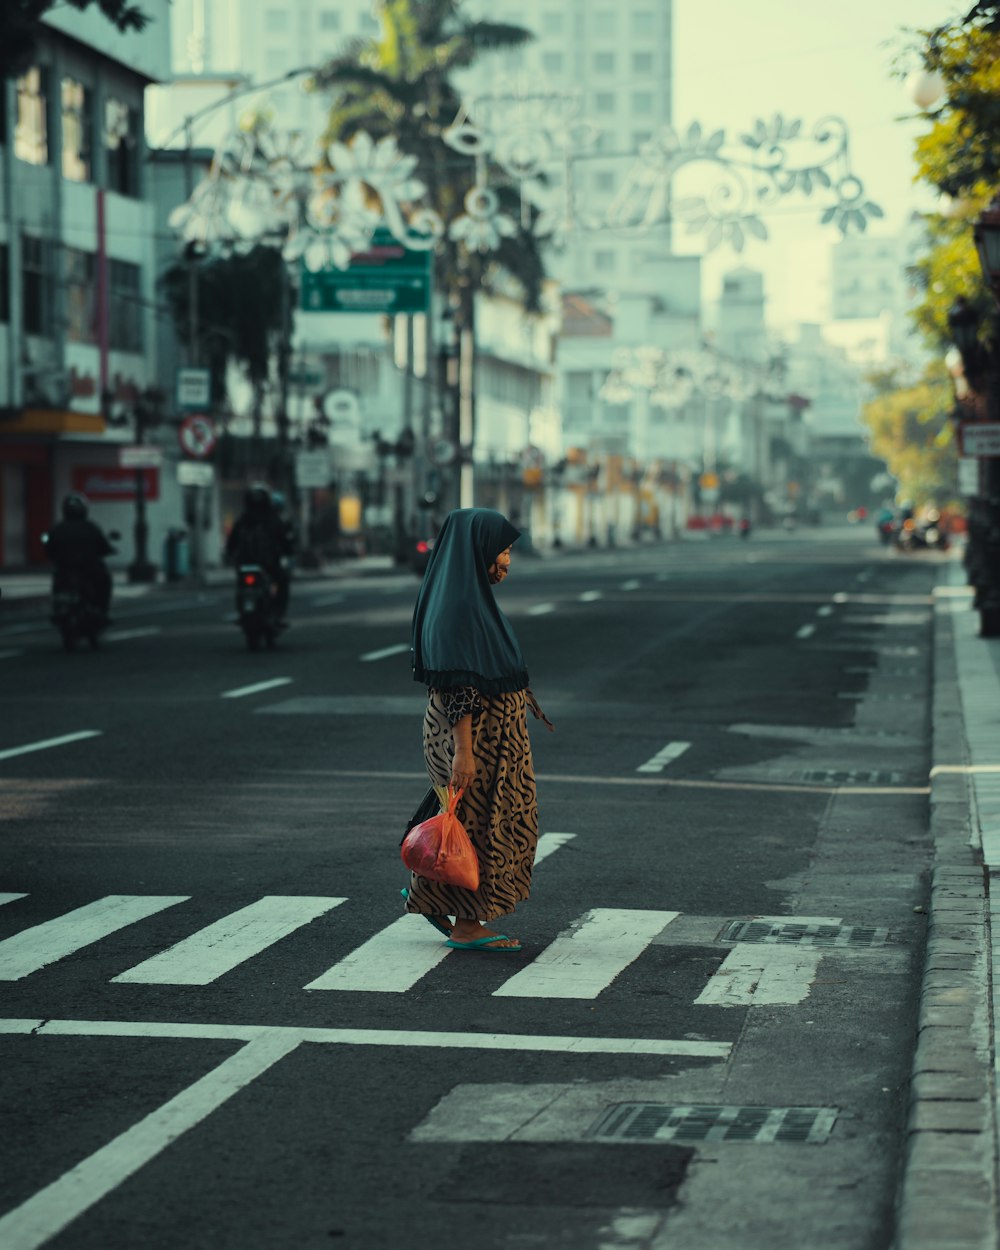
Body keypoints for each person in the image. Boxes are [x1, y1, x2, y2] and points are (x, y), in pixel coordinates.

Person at [405, 507, 553, 952]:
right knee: (483, 825)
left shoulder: (460, 595)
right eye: (502, 550)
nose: (506, 560)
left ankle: (433, 894)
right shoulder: (462, 606)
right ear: (479, 551)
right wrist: (464, 751)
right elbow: (460, 682)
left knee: (469, 822)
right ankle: (468, 924)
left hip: (480, 734)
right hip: (474, 736)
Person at [225, 483, 294, 623]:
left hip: (244, 564)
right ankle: (279, 614)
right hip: (268, 564)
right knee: (282, 581)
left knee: (241, 584)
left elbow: (231, 543)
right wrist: (289, 551)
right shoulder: (273, 520)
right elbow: (285, 541)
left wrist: (230, 556)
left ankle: (243, 612)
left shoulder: (242, 520)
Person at [44, 493, 115, 620]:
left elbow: (48, 550)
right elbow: (104, 546)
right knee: (105, 580)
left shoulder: (57, 528)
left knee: (57, 581)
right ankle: (103, 611)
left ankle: (58, 609)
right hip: (88, 567)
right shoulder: (90, 527)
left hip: (65, 569)